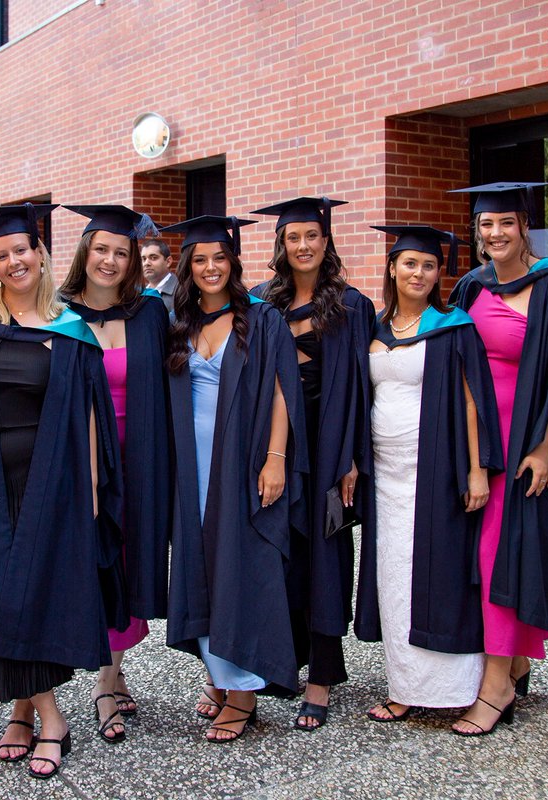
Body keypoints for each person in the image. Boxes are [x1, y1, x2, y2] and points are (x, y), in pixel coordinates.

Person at [0, 203, 123, 779]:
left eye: (22, 250)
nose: (15, 261)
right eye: (2, 254)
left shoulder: (69, 327)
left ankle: (28, 713)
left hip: (53, 484)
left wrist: (92, 483)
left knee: (35, 593)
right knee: (1, 593)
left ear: (40, 255)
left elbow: (90, 414)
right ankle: (46, 713)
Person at [447, 183, 548, 736]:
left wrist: (545, 447)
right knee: (483, 555)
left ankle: (495, 690)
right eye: (486, 225)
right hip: (478, 441)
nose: (495, 234)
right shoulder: (473, 286)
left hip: (525, 444)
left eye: (506, 224)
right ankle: (512, 663)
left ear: (525, 227)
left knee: (502, 555)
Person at [161, 214, 307, 743]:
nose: (209, 268)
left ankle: (244, 690)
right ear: (187, 268)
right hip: (189, 465)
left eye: (218, 258)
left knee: (241, 566)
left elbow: (282, 391)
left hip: (242, 462)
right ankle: (218, 679)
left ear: (233, 262)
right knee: (200, 566)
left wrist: (275, 458)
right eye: (199, 260)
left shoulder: (262, 319)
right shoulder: (178, 321)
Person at [353, 225, 502, 724]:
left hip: (434, 472)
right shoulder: (373, 329)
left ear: (440, 273)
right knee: (393, 578)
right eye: (409, 263)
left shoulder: (452, 326)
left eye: (429, 265)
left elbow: (472, 401)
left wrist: (477, 471)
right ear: (392, 268)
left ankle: (453, 687)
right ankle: (403, 685)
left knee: (439, 577)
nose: (418, 273)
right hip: (384, 477)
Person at [249, 196, 374, 730]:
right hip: (277, 444)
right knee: (282, 552)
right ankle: (285, 658)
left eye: (312, 237)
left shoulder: (351, 306)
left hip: (329, 447)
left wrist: (352, 457)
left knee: (326, 554)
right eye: (293, 238)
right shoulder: (259, 303)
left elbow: (364, 390)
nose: (302, 246)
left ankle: (322, 674)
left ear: (326, 243)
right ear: (281, 243)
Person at [59, 204, 171, 742]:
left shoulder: (150, 313)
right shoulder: (58, 313)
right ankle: (67, 675)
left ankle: (109, 678)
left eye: (121, 252)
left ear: (134, 261)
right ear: (85, 253)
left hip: (141, 459)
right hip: (79, 464)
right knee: (83, 564)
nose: (110, 260)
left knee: (128, 563)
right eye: (101, 249)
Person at [141, 239, 176, 313]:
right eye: (144, 259)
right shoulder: (139, 294)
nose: (146, 263)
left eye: (153, 258)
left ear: (168, 262)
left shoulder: (182, 291)